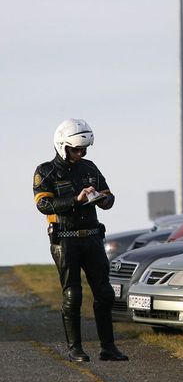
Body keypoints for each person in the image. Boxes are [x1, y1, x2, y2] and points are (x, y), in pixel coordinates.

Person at [33, 119, 128, 362]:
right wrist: (75, 200)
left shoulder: (89, 167)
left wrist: (101, 198)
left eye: (83, 149)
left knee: (105, 293)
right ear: (62, 146)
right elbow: (43, 204)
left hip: (93, 238)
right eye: (76, 149)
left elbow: (108, 195)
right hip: (65, 241)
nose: (80, 153)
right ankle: (75, 349)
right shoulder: (45, 171)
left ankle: (108, 348)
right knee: (73, 295)